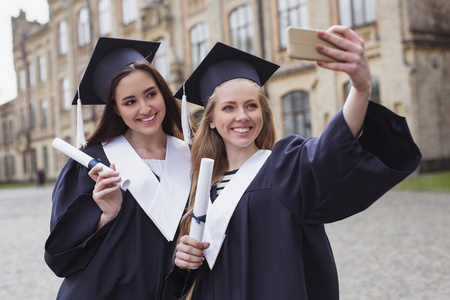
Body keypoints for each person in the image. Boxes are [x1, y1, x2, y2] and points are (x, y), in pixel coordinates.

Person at [166, 26, 422, 300]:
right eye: (229, 107)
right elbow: (189, 275)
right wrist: (183, 260)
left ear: (263, 113)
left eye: (251, 106)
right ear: (213, 120)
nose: (242, 116)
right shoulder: (201, 186)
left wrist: (360, 88)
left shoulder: (286, 165)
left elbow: (330, 150)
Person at [44, 37, 193, 299]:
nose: (145, 108)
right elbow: (59, 257)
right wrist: (103, 216)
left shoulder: (191, 158)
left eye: (151, 94)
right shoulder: (91, 163)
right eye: (130, 101)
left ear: (163, 93)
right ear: (116, 108)